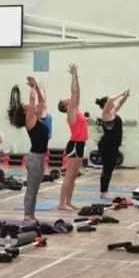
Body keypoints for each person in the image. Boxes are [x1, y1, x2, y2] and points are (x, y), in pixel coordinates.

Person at [13, 76, 49, 227]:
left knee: (35, 189)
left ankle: (32, 215)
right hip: (34, 158)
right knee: (31, 189)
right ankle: (27, 216)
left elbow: (41, 102)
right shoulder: (30, 120)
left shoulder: (37, 118)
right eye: (27, 106)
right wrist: (33, 87)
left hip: (40, 158)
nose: (30, 105)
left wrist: (38, 89)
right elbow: (33, 100)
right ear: (25, 111)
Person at [53, 64, 88, 212]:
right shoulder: (71, 112)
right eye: (65, 100)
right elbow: (74, 92)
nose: (69, 98)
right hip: (74, 145)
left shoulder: (76, 109)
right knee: (68, 176)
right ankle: (61, 203)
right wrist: (73, 75)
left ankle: (69, 202)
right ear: (65, 106)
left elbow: (77, 93)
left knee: (74, 177)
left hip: (80, 144)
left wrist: (76, 77)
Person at [94, 88, 131, 196]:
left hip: (114, 145)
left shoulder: (113, 112)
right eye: (110, 103)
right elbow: (111, 99)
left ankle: (105, 191)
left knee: (110, 168)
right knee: (107, 168)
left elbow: (120, 103)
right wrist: (121, 93)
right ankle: (103, 192)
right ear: (106, 105)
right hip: (106, 146)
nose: (113, 104)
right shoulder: (105, 114)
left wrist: (126, 97)